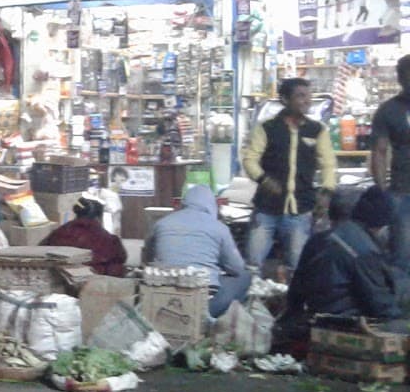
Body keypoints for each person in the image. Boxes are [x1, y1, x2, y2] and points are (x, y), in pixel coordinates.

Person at [242, 77, 335, 273]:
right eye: (300, 96)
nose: (307, 100)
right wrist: (264, 180)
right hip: (266, 207)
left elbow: (328, 164)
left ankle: (292, 303)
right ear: (285, 100)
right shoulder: (266, 128)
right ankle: (251, 301)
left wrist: (326, 191)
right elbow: (250, 159)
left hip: (301, 209)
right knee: (252, 266)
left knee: (298, 268)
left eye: (308, 96)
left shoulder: (317, 130)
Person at [289, 185, 406, 321]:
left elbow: (296, 288)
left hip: (317, 311)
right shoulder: (364, 250)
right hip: (345, 318)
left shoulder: (317, 239)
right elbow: (380, 304)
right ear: (381, 224)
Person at [142, 184, 250, 320]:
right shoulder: (220, 228)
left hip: (160, 294)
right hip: (205, 301)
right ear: (212, 204)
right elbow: (237, 268)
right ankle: (220, 319)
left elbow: (147, 256)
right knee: (245, 277)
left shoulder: (162, 223)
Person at [369, 55, 410, 269]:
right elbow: (379, 151)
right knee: (403, 256)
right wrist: (383, 189)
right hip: (402, 192)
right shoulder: (389, 110)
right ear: (400, 78)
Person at [41, 197, 127, 276]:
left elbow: (41, 249)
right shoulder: (108, 239)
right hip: (92, 282)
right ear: (98, 217)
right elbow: (121, 257)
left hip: (59, 277)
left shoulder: (60, 232)